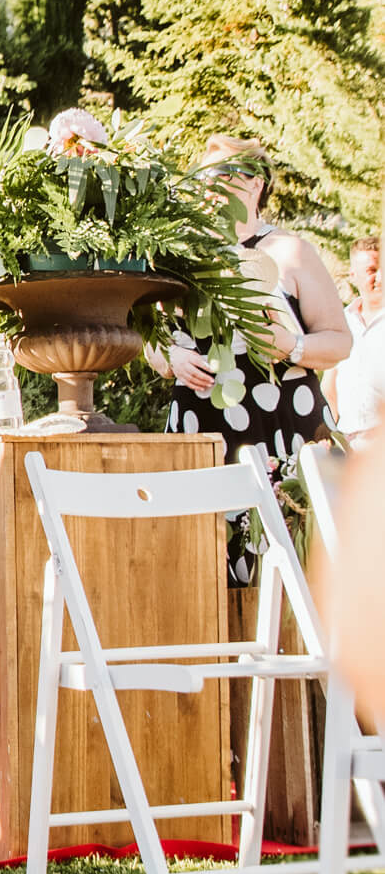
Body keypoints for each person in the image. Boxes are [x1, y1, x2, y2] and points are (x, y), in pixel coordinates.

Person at [149, 136, 349, 582]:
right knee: (205, 573)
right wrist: (170, 357)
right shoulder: (180, 256)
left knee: (292, 565)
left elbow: (340, 342)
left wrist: (292, 347)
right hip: (203, 429)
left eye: (223, 175)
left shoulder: (290, 252)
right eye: (203, 177)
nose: (210, 187)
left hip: (282, 425)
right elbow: (147, 337)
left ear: (256, 184)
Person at [327, 235, 382, 433]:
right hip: (348, 443)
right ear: (353, 275)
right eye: (371, 270)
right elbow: (329, 389)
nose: (380, 277)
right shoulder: (342, 322)